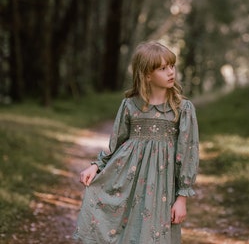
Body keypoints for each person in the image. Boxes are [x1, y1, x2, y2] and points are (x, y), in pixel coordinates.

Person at [73, 41, 199, 244]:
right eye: (162, 68)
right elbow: (116, 146)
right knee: (126, 234)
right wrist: (97, 166)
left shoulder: (182, 109)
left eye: (172, 66)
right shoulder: (129, 105)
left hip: (161, 188)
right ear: (147, 74)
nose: (170, 72)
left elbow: (187, 154)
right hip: (129, 183)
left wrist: (182, 197)